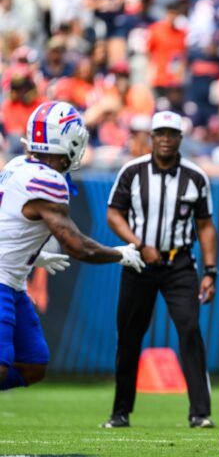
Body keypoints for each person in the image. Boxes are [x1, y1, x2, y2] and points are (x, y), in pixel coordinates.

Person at [0, 101, 145, 392]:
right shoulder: (47, 180)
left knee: (32, 364)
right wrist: (119, 254)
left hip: (12, 281)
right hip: (2, 280)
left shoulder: (17, 164)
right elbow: (78, 246)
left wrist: (31, 254)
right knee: (2, 366)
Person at [102, 111, 219, 429]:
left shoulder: (195, 176)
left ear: (181, 138)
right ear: (151, 137)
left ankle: (200, 413)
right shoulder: (132, 172)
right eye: (160, 133)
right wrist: (139, 244)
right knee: (129, 335)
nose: (166, 139)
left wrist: (211, 271)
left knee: (190, 330)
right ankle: (120, 412)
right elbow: (114, 214)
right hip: (140, 262)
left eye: (172, 133)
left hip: (179, 262)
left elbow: (206, 225)